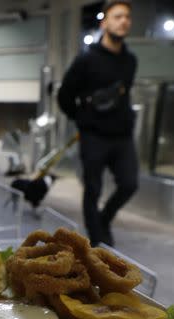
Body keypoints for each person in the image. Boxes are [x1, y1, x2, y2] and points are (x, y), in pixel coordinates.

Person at [58, 0, 138, 247]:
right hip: (94, 136)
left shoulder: (130, 61)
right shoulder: (86, 60)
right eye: (117, 16)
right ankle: (97, 243)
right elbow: (64, 96)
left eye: (126, 16)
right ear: (105, 23)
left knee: (129, 184)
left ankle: (104, 220)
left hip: (122, 137)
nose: (123, 21)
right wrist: (82, 119)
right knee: (92, 190)